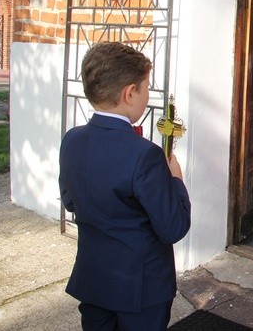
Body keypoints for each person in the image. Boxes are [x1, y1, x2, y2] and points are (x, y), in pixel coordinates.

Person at [59, 41, 191, 331]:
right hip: (140, 289)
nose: (146, 95)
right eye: (145, 88)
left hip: (93, 280)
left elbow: (70, 201)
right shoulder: (145, 154)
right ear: (129, 93)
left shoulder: (71, 140)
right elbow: (173, 227)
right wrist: (175, 180)